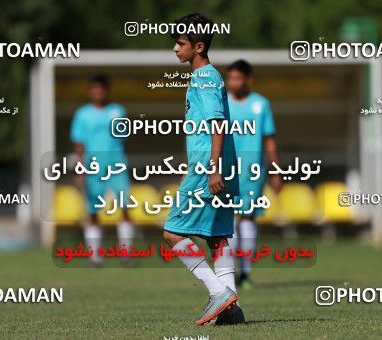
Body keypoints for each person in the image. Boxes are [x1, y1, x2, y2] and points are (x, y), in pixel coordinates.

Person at [162, 13, 244, 326]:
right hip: (217, 165)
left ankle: (218, 292)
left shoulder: (206, 78)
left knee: (171, 233)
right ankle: (233, 311)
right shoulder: (206, 77)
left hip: (209, 167)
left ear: (198, 46)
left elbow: (218, 124)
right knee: (219, 237)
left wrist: (211, 169)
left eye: (180, 43)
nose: (175, 49)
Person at [226, 60, 283, 289]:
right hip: (225, 169)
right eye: (230, 78)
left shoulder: (261, 104)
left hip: (252, 170)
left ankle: (246, 273)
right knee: (227, 220)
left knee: (247, 217)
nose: (233, 83)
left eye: (238, 78)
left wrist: (276, 172)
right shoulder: (222, 103)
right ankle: (228, 273)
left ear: (248, 79)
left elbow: (269, 140)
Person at [70, 74, 135, 266]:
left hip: (116, 165)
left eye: (101, 89)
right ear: (91, 91)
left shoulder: (117, 111)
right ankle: (95, 256)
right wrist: (80, 167)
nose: (98, 93)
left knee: (124, 207)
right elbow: (79, 143)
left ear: (107, 90)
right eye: (94, 89)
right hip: (93, 166)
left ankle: (126, 254)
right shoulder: (82, 114)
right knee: (92, 211)